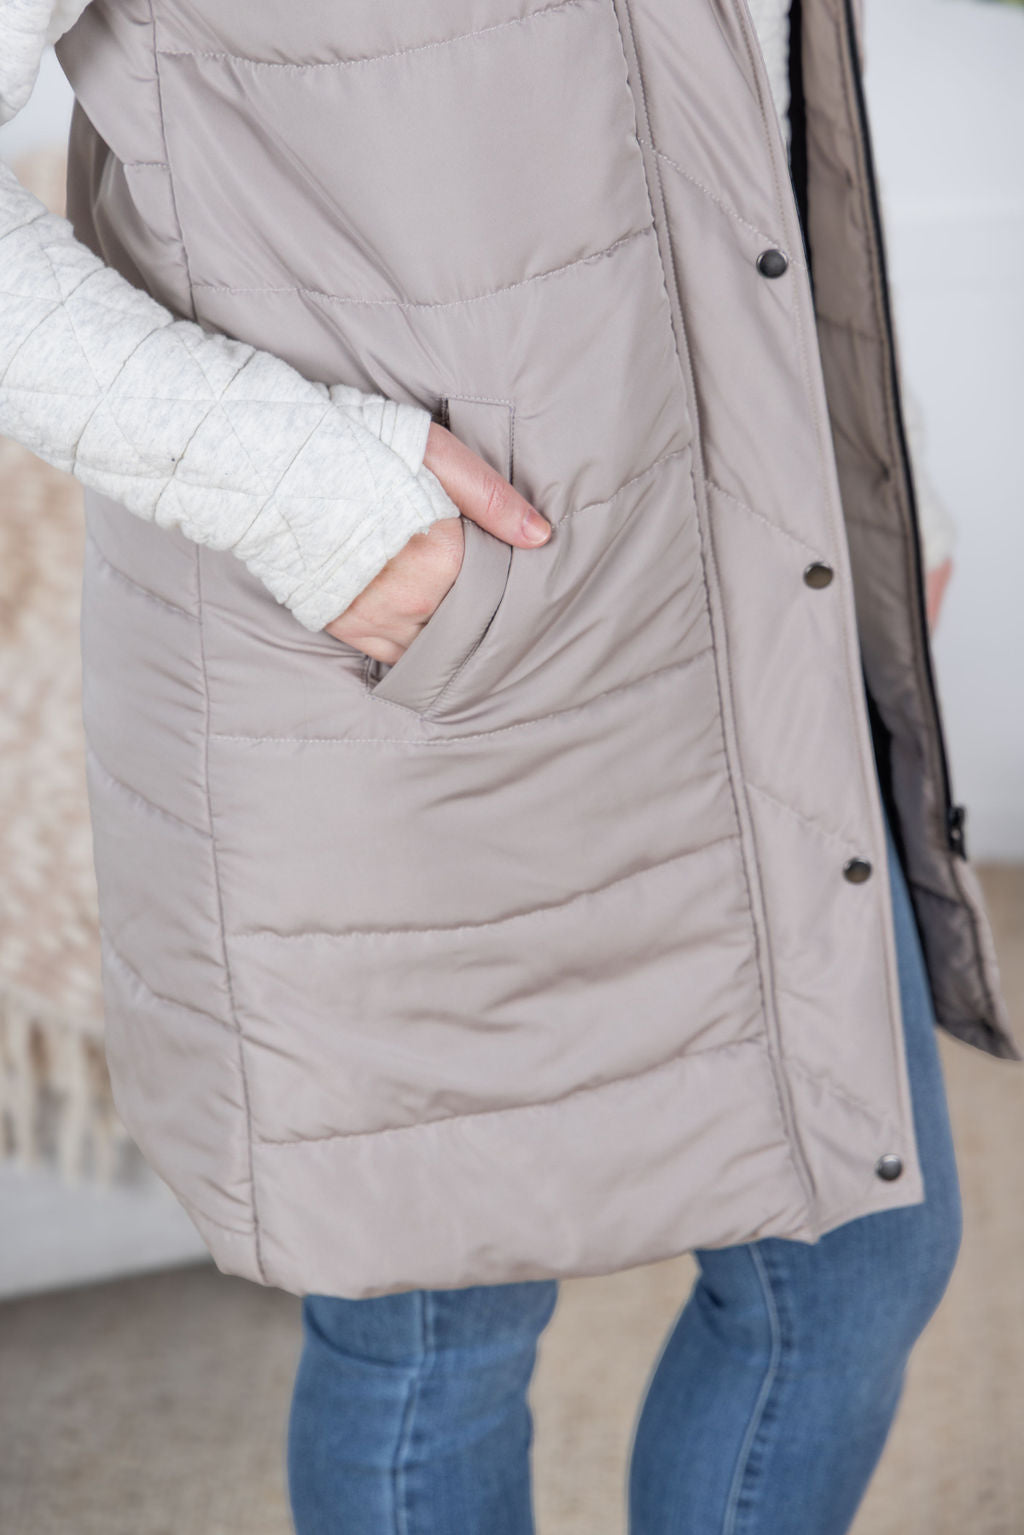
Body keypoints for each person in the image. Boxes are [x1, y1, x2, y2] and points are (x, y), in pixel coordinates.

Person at [0, 0, 1016, 1530]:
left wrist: (880, 458)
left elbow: (753, 80)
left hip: (746, 595)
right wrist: (303, 492)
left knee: (859, 1264)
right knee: (435, 1331)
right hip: (411, 670)